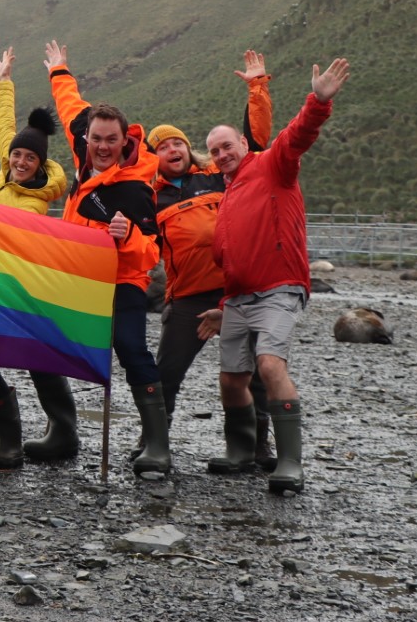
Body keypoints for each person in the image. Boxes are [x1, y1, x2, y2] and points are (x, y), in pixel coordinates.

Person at [199, 57, 353, 493]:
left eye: (227, 145)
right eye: (214, 151)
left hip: (279, 291)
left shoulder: (272, 166)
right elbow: (231, 259)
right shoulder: (226, 198)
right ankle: (241, 453)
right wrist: (223, 305)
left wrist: (318, 102)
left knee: (268, 364)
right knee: (231, 379)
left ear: (243, 146)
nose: (222, 154)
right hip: (239, 299)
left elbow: (297, 136)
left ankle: (290, 463)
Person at [148, 50, 274, 472]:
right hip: (185, 296)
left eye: (177, 143)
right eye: (162, 147)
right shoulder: (150, 196)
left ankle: (256, 449)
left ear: (189, 149)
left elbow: (254, 144)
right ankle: (155, 444)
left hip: (236, 291)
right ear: (155, 158)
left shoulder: (218, 175)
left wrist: (257, 88)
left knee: (253, 373)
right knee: (166, 373)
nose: (172, 149)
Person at [44, 40, 167, 473]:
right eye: (95, 138)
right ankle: (61, 431)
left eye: (110, 140)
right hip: (79, 277)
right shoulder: (83, 148)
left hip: (122, 280)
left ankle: (157, 444)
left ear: (124, 139)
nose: (101, 146)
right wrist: (59, 70)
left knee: (131, 347)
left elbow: (151, 251)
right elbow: (70, 106)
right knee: (43, 340)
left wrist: (128, 234)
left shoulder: (135, 186)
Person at [0, 47, 72, 469]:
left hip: (18, 286)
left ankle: (63, 430)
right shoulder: (3, 171)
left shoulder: (36, 203)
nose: (19, 161)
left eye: (28, 158)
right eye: (17, 155)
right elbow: (4, 126)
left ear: (39, 165)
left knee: (38, 355)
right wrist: (4, 81)